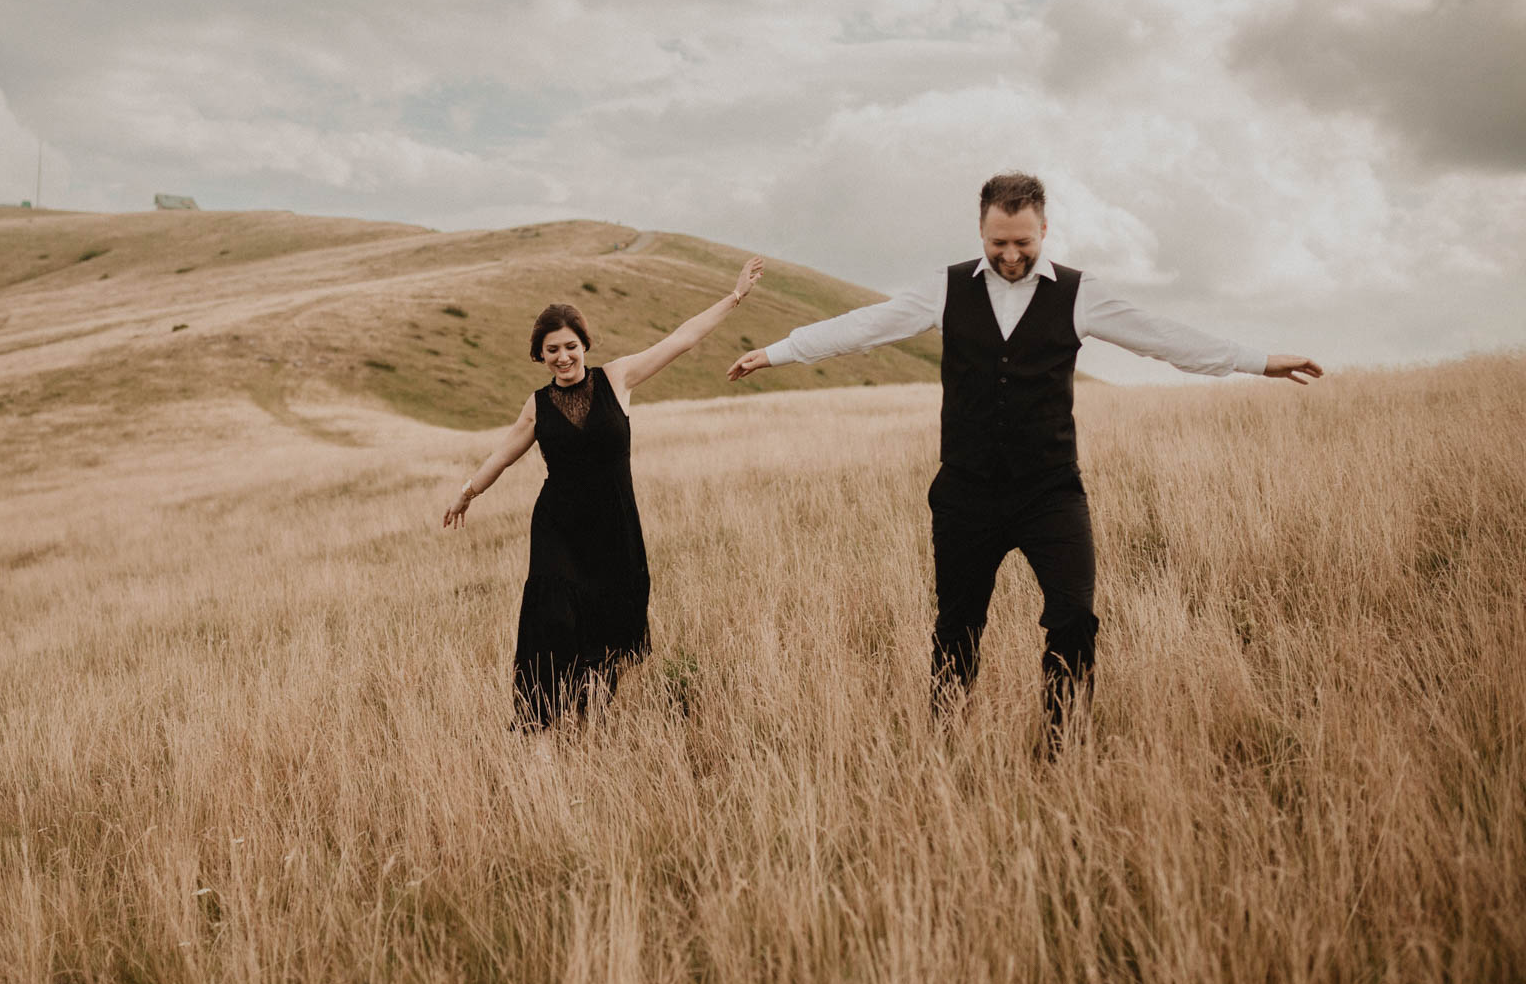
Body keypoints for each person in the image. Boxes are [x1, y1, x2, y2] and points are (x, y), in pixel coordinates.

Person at [727, 173, 1321, 747]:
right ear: (981, 231)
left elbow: (1163, 337)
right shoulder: (947, 287)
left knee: (1073, 618)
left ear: (1045, 229)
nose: (1011, 255)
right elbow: (864, 328)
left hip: (1050, 491)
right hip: (966, 492)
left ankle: (1064, 743)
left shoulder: (1079, 294)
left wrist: (1259, 360)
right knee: (956, 628)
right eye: (998, 243)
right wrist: (779, 352)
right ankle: (946, 746)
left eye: (1023, 242)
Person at [445, 256, 765, 731]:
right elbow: (503, 455)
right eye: (552, 350)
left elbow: (681, 339)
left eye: (570, 346)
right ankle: (537, 721)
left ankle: (590, 714)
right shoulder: (537, 406)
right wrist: (467, 492)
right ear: (540, 354)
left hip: (614, 526)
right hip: (558, 527)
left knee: (608, 623)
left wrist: (734, 297)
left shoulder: (617, 378)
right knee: (553, 618)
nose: (563, 357)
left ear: (584, 344)